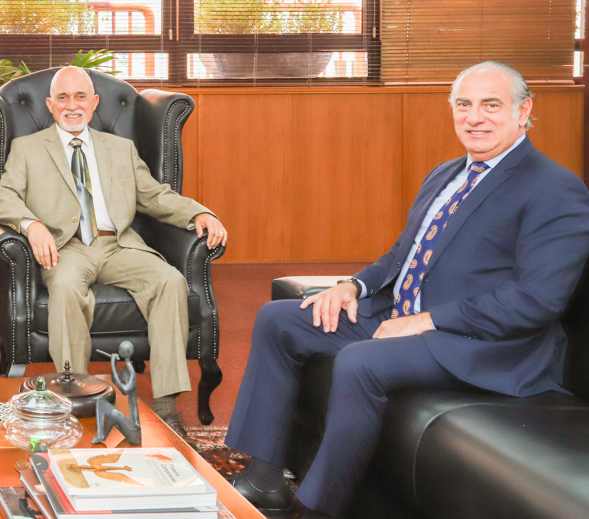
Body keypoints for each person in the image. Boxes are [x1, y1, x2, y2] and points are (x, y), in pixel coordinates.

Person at [225, 61, 589, 519]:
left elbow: (537, 299)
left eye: (490, 105)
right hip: (406, 320)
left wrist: (427, 320)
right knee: (279, 319)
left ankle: (317, 507)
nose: (474, 117)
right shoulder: (446, 174)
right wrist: (352, 287)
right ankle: (263, 479)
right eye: (463, 105)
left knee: (361, 361)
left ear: (524, 111)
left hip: (483, 344)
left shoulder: (555, 188)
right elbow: (403, 255)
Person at [0, 66, 228, 435]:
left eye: (80, 97)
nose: (72, 106)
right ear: (50, 105)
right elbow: (1, 197)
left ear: (94, 103)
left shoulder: (120, 148)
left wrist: (199, 212)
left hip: (118, 245)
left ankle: (165, 407)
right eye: (63, 98)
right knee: (66, 291)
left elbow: (154, 196)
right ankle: (73, 400)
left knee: (169, 281)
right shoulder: (28, 148)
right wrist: (31, 225)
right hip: (66, 249)